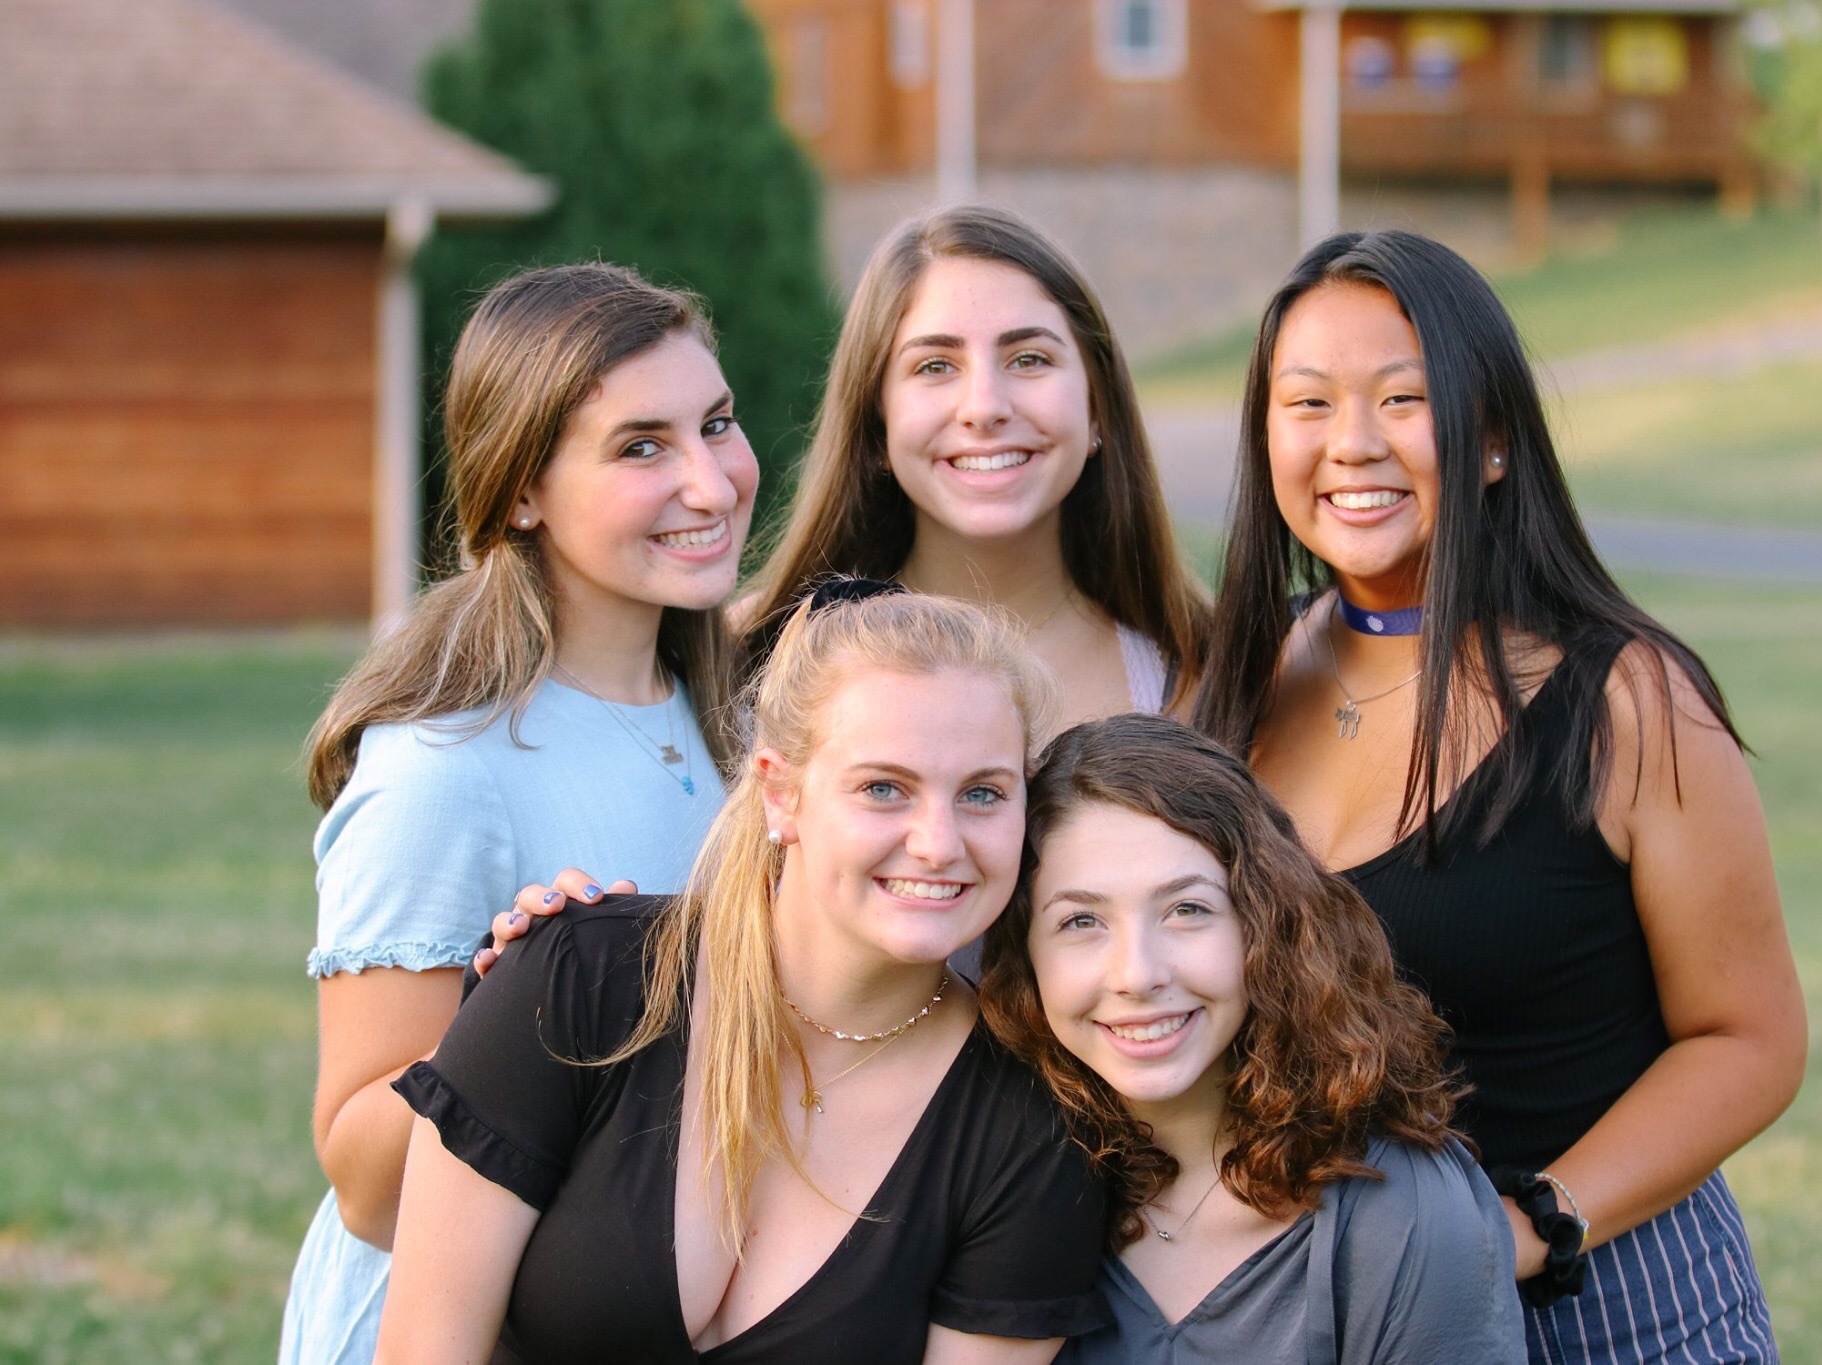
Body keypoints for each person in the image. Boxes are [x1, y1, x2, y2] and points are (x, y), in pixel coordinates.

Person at [1191, 230, 1806, 1362]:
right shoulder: (1229, 683)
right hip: (1326, 1310)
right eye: (1307, 403)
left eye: (1403, 398)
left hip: (1609, 1300)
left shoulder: (1624, 699)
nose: (1352, 445)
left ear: (1490, 440)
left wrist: (1533, 1226)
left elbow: (1748, 1039)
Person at [376, 591, 1108, 1364]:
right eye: (883, 787)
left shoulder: (1034, 1125)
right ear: (780, 792)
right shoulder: (583, 979)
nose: (937, 841)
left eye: (983, 793)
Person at [280, 263, 755, 1365]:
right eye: (641, 447)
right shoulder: (444, 771)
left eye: (716, 425)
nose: (712, 481)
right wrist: (518, 1009)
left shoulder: (728, 711)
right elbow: (361, 1182)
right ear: (523, 490)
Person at [978, 713, 1528, 1364]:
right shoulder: (1009, 1181)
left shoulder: (1398, 1213)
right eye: (1081, 919)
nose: (1137, 974)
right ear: (1025, 955)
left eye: (1187, 909)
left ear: (1265, 922)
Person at [739, 204, 1208, 729]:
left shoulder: (1209, 676)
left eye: (1029, 359)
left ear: (1097, 406)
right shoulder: (748, 661)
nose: (984, 408)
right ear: (876, 424)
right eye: (935, 366)